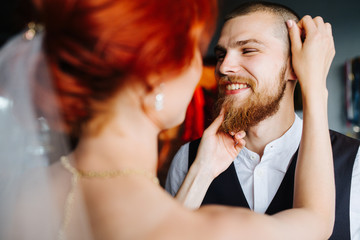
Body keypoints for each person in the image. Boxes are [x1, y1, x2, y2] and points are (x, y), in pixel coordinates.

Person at [0, 0, 335, 239]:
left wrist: (202, 171)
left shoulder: (21, 197)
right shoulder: (217, 230)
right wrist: (315, 88)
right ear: (156, 76)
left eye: (247, 51)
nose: (219, 69)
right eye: (196, 53)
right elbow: (316, 220)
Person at [165, 2, 360, 240]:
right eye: (220, 55)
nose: (224, 67)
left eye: (248, 50)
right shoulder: (188, 161)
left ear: (294, 65)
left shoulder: (356, 163)